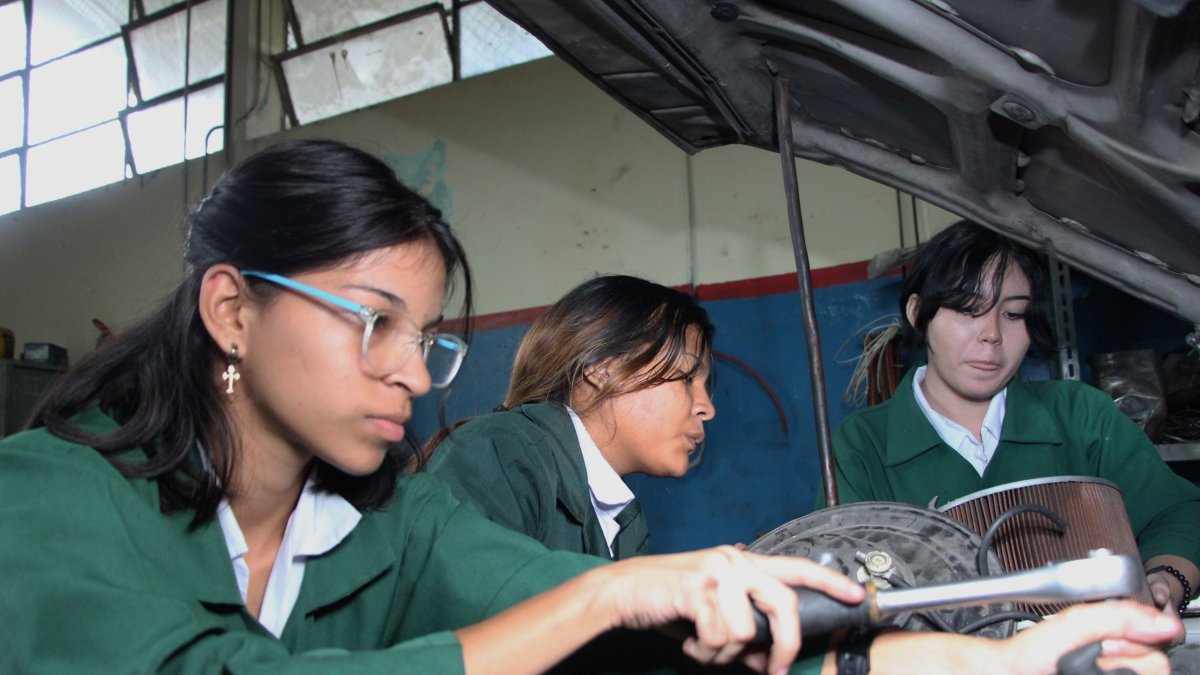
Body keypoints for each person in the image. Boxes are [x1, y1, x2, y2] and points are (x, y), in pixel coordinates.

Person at [0, 141, 1179, 675]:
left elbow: (643, 644)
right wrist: (613, 589)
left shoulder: (387, 527)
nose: (412, 374)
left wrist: (1015, 660)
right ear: (230, 309)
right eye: (374, 322)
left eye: (428, 341)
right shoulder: (45, 502)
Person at [827, 220, 1200, 617]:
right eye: (968, 310)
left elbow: (1177, 512)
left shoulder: (1081, 416)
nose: (991, 334)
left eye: (1014, 313)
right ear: (919, 313)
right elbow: (846, 579)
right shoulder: (862, 445)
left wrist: (1165, 578)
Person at [426, 274, 713, 560]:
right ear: (603, 368)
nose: (707, 408)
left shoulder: (622, 522)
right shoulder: (498, 453)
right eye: (687, 378)